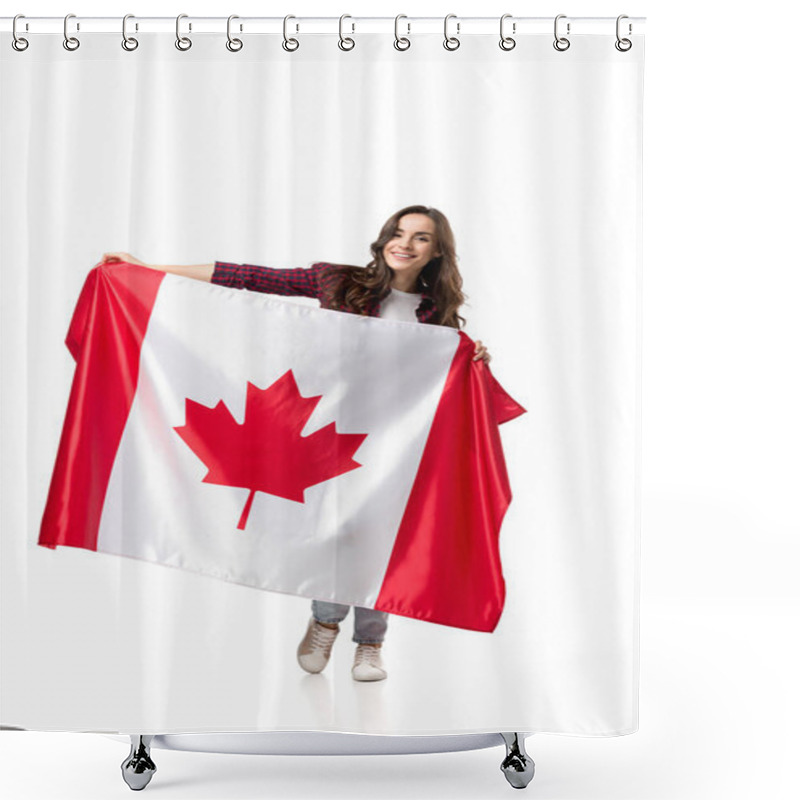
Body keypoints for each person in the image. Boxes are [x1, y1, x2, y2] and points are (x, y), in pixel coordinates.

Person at [100, 204, 491, 683]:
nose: (405, 244)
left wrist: (473, 360)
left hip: (392, 442)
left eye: (421, 237)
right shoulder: (338, 283)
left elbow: (440, 385)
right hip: (330, 429)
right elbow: (247, 277)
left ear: (436, 251)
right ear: (385, 237)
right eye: (399, 232)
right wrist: (149, 268)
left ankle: (369, 643)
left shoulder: (438, 314)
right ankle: (328, 621)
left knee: (382, 538)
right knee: (340, 535)